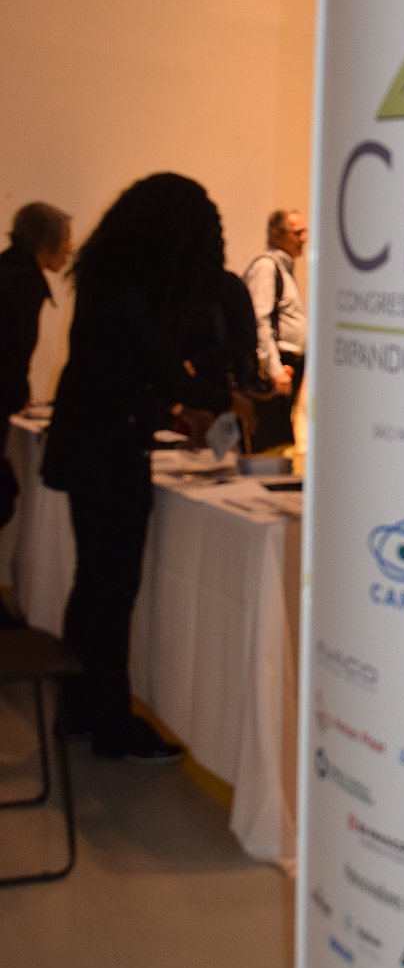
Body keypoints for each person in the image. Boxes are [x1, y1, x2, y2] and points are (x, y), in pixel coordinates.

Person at [42, 174, 254, 762]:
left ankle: (80, 710)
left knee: (93, 586)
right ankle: (112, 726)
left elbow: (129, 369)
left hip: (93, 446)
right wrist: (224, 400)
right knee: (111, 593)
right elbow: (160, 369)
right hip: (108, 455)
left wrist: (178, 405)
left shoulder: (109, 277)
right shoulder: (130, 287)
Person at [0, 202, 73, 622]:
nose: (68, 250)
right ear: (46, 243)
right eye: (64, 241)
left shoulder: (8, 270)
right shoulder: (23, 283)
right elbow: (12, 352)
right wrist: (17, 394)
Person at [243, 208, 307, 451]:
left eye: (305, 232)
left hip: (289, 362)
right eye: (297, 233)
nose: (304, 238)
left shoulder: (284, 268)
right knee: (271, 440)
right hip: (279, 364)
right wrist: (274, 368)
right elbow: (259, 319)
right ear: (277, 234)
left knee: (283, 436)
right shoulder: (266, 267)